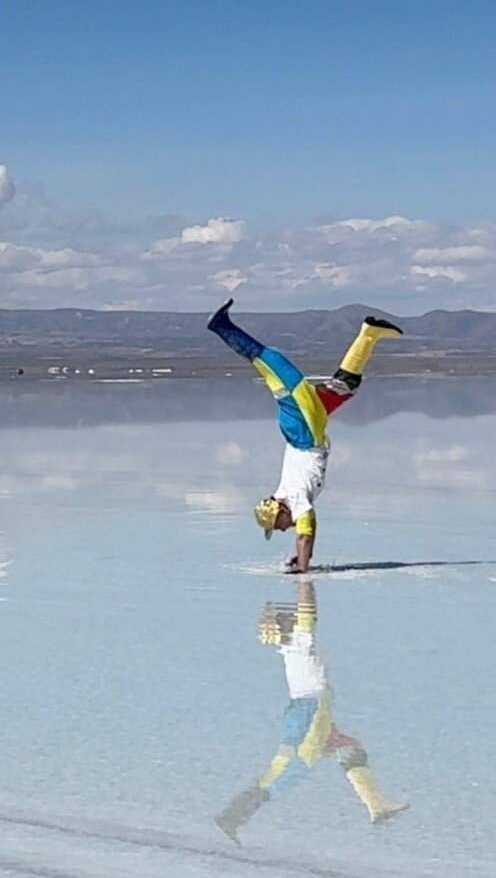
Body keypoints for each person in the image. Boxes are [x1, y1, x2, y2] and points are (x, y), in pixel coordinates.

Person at [207, 301, 403, 573]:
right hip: (306, 427)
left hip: (303, 429)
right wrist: (301, 559)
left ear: (280, 513)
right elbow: (302, 533)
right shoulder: (286, 497)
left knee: (268, 362)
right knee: (344, 388)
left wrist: (302, 566)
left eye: (279, 526)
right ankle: (369, 333)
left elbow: (305, 534)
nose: (284, 529)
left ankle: (222, 326)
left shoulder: (294, 499)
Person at [215, 581, 408, 844]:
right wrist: (305, 580)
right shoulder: (300, 641)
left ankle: (377, 806)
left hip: (312, 710)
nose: (292, 616)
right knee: (287, 771)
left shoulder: (291, 645)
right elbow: (308, 609)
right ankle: (232, 817)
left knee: (349, 748)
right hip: (310, 711)